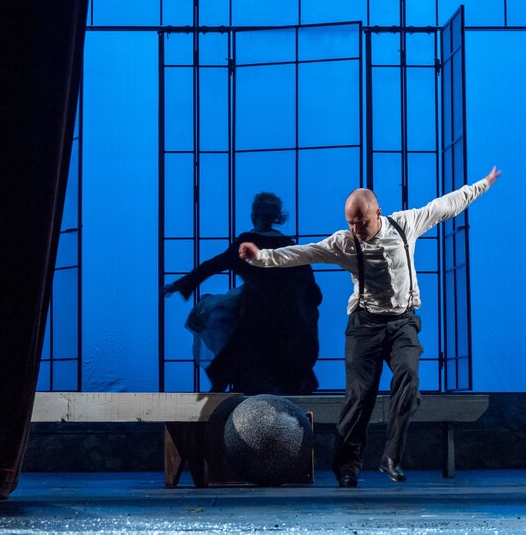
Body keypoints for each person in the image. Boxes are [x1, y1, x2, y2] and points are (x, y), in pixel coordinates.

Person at [239, 167, 501, 487]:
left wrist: (483, 185)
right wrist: (261, 257)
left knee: (408, 380)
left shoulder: (406, 224)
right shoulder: (345, 243)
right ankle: (347, 467)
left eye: (361, 222)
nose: (355, 229)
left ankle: (391, 458)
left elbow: (446, 205)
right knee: (360, 395)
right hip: (365, 325)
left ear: (377, 214)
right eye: (351, 222)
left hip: (402, 322)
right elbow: (305, 253)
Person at [164, 192, 322, 395]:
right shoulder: (287, 243)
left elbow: (214, 264)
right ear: (276, 216)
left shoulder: (248, 241)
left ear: (254, 215)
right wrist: (308, 304)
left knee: (246, 352)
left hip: (256, 308)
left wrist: (182, 284)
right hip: (288, 312)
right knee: (281, 356)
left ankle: (232, 391)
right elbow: (309, 284)